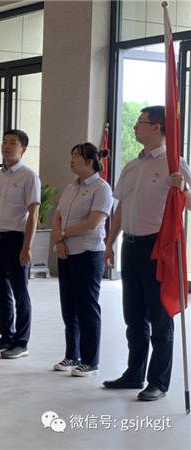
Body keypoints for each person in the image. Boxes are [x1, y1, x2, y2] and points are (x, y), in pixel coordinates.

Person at [103, 106, 191, 401]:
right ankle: (134, 373)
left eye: (140, 123)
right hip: (130, 246)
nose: (135, 127)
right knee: (134, 316)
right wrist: (110, 243)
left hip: (159, 249)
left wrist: (183, 188)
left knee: (160, 318)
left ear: (156, 127)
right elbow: (121, 207)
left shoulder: (174, 163)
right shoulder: (131, 165)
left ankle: (158, 382)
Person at [50, 143, 112, 377]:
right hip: (66, 252)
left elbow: (94, 222)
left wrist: (64, 234)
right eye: (72, 155)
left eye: (77, 156)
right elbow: (58, 216)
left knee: (87, 307)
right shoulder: (70, 188)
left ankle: (90, 360)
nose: (72, 159)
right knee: (69, 307)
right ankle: (72, 355)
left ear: (90, 162)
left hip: (88, 253)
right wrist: (59, 240)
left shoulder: (101, 188)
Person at [0, 129, 40, 359]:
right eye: (4, 142)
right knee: (0, 292)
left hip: (16, 241)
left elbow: (33, 214)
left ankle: (21, 341)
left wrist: (27, 247)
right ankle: (6, 335)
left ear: (23, 149)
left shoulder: (29, 176)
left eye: (12, 143)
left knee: (20, 293)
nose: (6, 146)